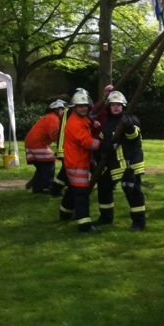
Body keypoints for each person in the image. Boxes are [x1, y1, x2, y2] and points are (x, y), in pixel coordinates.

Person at [96, 90, 146, 231]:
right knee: (103, 186)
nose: (116, 107)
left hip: (131, 163)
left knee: (132, 191)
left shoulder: (131, 119)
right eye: (113, 105)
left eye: (118, 104)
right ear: (109, 107)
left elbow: (134, 137)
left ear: (123, 106)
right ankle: (106, 218)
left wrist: (128, 126)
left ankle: (138, 223)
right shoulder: (107, 124)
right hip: (115, 164)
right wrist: (105, 146)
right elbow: (101, 141)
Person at [59, 88, 101, 232]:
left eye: (85, 106)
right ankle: (85, 225)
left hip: (76, 161)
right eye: (80, 106)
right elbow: (86, 142)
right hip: (77, 164)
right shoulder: (75, 123)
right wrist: (102, 143)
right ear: (74, 107)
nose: (83, 108)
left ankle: (64, 213)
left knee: (73, 189)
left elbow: (87, 125)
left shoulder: (81, 119)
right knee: (82, 194)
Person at [24, 99, 66, 193]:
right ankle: (46, 187)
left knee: (42, 167)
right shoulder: (53, 118)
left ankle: (37, 187)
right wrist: (63, 144)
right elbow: (55, 134)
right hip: (37, 143)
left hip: (31, 143)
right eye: (62, 109)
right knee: (49, 163)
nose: (63, 111)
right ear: (56, 110)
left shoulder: (48, 117)